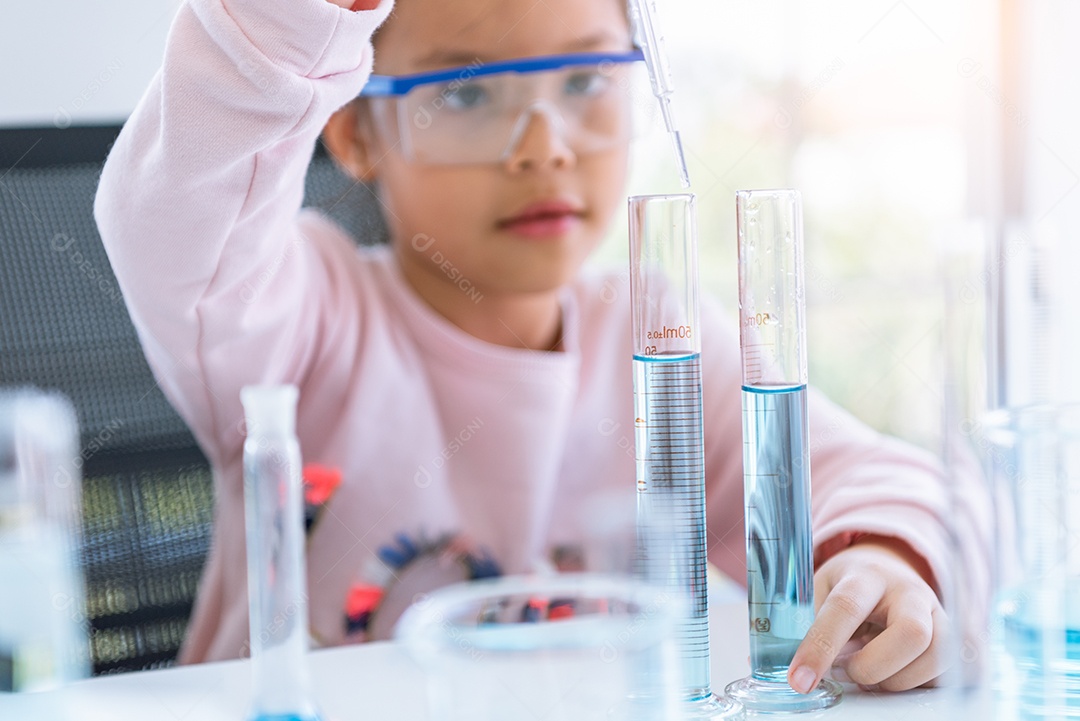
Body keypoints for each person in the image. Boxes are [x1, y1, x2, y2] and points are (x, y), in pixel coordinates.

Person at [95, 0, 991, 695]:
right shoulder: (302, 317)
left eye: (587, 81)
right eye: (469, 93)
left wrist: (885, 559)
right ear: (357, 131)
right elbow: (172, 219)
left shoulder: (661, 336)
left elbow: (879, 477)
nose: (544, 148)